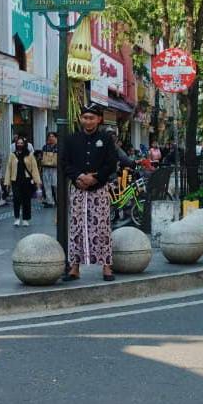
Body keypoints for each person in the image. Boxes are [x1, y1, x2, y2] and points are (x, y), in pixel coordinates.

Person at [63, 103, 117, 282]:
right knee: (76, 227)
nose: (88, 121)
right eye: (85, 118)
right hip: (78, 188)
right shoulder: (71, 139)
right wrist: (78, 176)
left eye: (92, 118)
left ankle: (107, 266)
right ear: (80, 119)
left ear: (99, 119)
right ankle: (74, 267)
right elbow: (65, 162)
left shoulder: (106, 139)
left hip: (99, 189)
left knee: (102, 227)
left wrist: (95, 178)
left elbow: (111, 163)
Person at [4, 136, 41, 227]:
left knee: (26, 200)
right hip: (15, 180)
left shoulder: (30, 155)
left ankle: (25, 219)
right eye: (18, 143)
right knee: (16, 199)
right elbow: (9, 168)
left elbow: (34, 169)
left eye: (21, 143)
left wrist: (37, 182)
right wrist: (6, 182)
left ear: (25, 144)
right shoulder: (12, 155)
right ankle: (16, 218)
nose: (20, 145)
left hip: (27, 180)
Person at [40, 132, 59, 207]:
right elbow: (42, 156)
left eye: (53, 136)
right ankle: (49, 201)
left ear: (56, 137)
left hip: (55, 168)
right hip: (46, 167)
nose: (51, 138)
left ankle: (59, 200)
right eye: (49, 136)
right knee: (47, 185)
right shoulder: (45, 147)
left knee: (56, 185)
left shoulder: (59, 146)